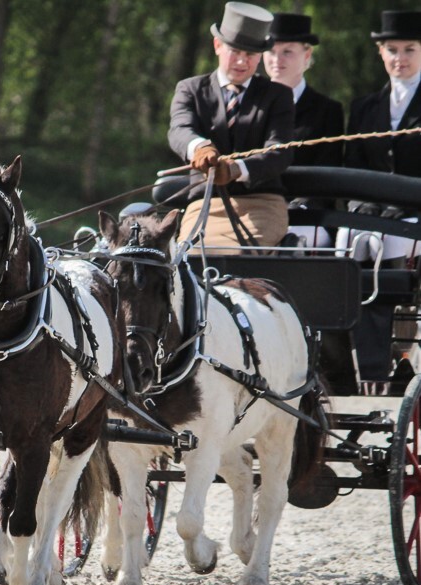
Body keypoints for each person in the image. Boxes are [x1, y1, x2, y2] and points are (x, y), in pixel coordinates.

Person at [168, 2, 294, 254]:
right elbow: (179, 129)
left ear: (260, 57)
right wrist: (199, 147)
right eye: (235, 51)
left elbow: (280, 151)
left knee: (242, 258)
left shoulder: (278, 95)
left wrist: (238, 169)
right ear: (217, 46)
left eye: (250, 55)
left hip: (262, 203)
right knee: (191, 256)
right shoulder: (190, 89)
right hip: (205, 202)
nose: (241, 61)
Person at [339, 10, 421, 387]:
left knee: (391, 242)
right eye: (392, 49)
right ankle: (366, 368)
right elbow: (351, 170)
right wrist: (360, 210)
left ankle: (402, 357)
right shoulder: (364, 108)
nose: (400, 58)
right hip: (371, 216)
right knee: (354, 242)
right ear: (380, 52)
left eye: (409, 49)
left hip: (413, 213)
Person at [264, 12, 344, 248]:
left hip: (308, 215)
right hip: (259, 208)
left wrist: (297, 206)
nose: (277, 59)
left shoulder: (327, 110)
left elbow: (328, 172)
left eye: (287, 51)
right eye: (271, 51)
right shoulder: (251, 105)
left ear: (306, 54)